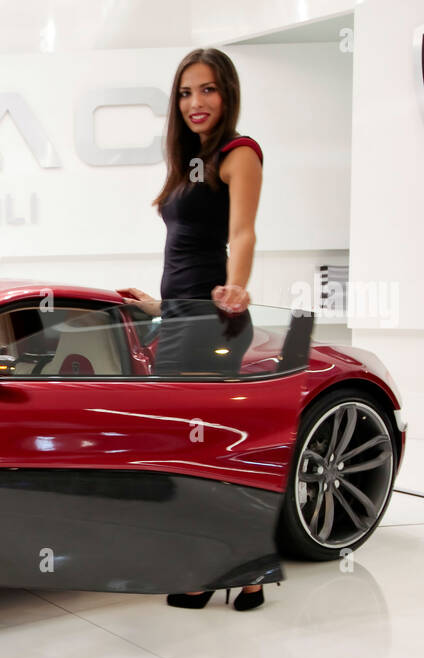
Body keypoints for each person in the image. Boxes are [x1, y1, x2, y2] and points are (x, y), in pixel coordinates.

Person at [117, 47, 266, 612]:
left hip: (213, 321)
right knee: (204, 453)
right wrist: (161, 307)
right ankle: (245, 570)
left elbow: (243, 233)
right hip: (184, 317)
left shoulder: (238, 152)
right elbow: (187, 252)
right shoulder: (190, 162)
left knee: (197, 453)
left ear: (226, 94)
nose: (195, 103)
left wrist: (237, 285)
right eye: (184, 92)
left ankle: (211, 571)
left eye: (206, 90)